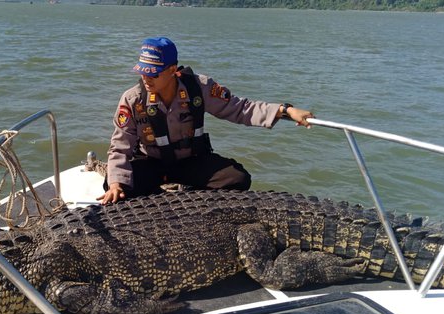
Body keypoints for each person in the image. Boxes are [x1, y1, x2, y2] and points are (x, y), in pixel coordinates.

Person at [97, 37, 314, 205]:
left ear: (172, 70)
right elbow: (120, 145)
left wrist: (285, 110)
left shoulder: (199, 88)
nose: (146, 78)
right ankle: (158, 201)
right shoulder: (133, 99)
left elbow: (240, 108)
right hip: (150, 161)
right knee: (115, 185)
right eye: (142, 72)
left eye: (153, 73)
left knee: (237, 179)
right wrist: (116, 183)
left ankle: (192, 201)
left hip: (190, 161)